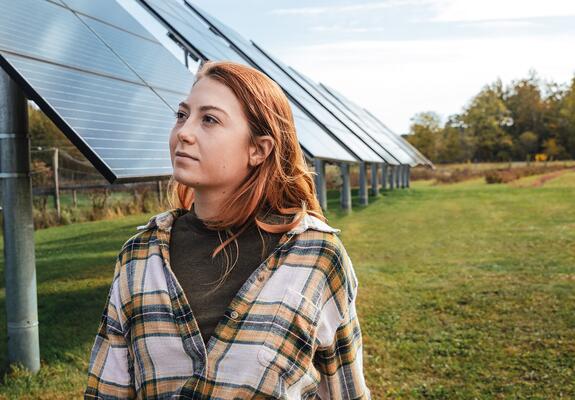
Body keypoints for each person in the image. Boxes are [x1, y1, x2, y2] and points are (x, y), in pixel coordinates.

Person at [84, 60, 371, 399]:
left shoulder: (318, 256)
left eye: (209, 119)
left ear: (258, 149)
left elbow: (345, 392)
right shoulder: (139, 255)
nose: (184, 132)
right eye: (181, 115)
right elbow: (107, 391)